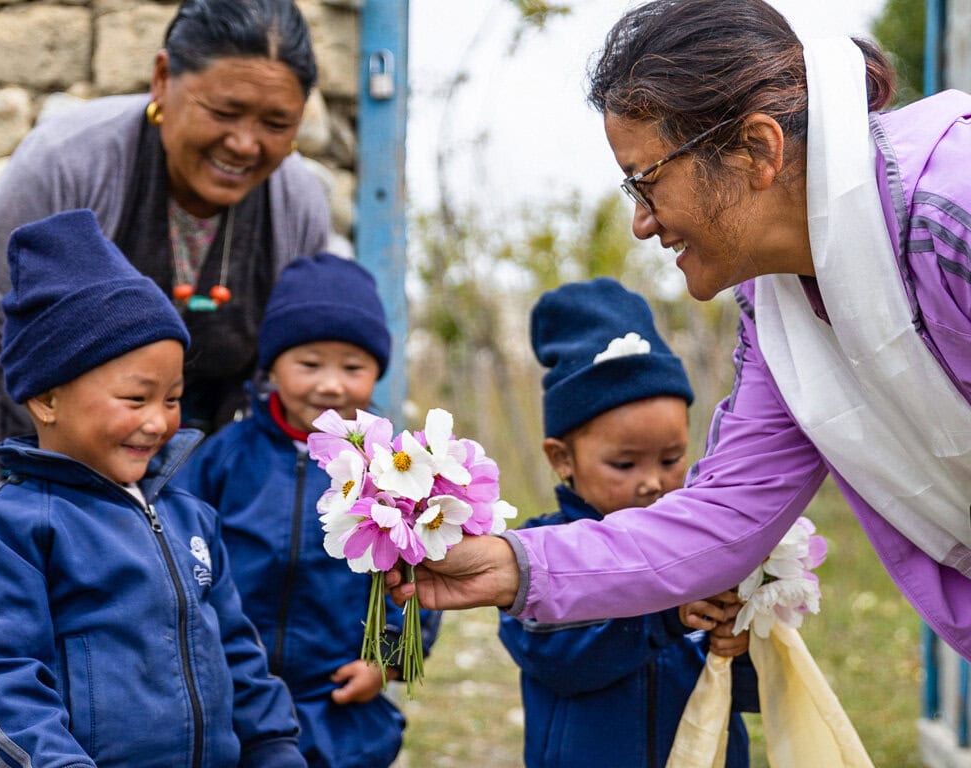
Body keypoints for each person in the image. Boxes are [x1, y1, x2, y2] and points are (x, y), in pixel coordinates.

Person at [386, 0, 971, 663]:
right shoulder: (778, 309)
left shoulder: (952, 213)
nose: (642, 222)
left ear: (757, 149)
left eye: (647, 182)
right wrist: (512, 565)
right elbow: (725, 519)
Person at [0, 0, 331, 539]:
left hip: (197, 511)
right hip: (35, 494)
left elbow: (280, 379)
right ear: (163, 79)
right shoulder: (70, 163)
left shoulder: (297, 204)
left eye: (276, 123)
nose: (244, 143)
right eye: (223, 111)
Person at [0, 209, 307, 767]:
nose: (158, 421)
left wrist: (275, 748)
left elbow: (237, 652)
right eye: (136, 399)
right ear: (46, 398)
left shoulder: (191, 517)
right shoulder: (6, 532)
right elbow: (1, 684)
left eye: (173, 398)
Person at [174, 253, 441, 768]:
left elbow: (422, 572)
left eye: (353, 366)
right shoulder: (224, 456)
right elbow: (182, 558)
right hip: (234, 690)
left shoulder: (394, 467)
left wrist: (384, 660)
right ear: (272, 365)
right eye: (309, 363)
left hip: (337, 695)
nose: (331, 384)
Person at [498, 278, 756, 767]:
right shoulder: (535, 552)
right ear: (562, 458)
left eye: (671, 459)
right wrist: (664, 614)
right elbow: (556, 658)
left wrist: (741, 649)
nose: (651, 482)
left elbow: (754, 694)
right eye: (625, 464)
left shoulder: (709, 549)